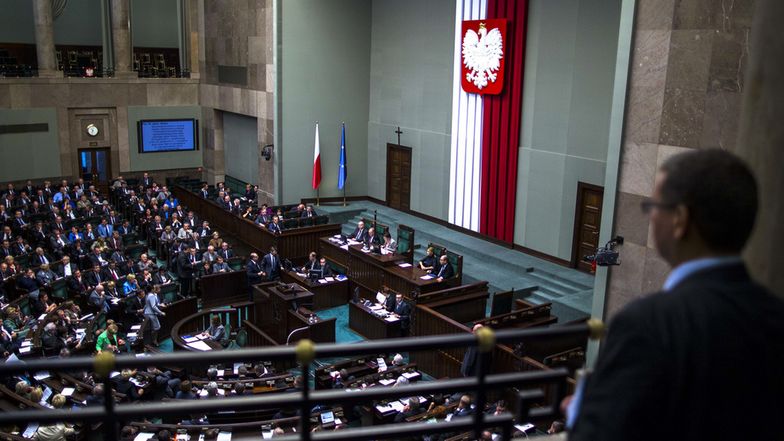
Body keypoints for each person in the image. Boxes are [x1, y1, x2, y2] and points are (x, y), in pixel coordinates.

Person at [569, 150, 784, 441]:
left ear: (680, 219)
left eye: (654, 206)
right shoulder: (774, 315)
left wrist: (581, 412)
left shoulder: (647, 324)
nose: (651, 216)